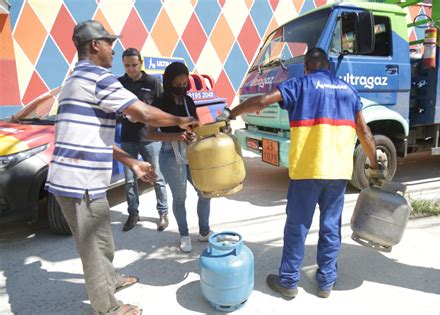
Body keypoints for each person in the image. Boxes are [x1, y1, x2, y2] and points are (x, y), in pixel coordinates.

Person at [46, 20, 198, 315]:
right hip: (80, 182)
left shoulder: (74, 79)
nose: (113, 50)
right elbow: (141, 112)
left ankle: (111, 281)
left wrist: (131, 161)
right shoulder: (96, 77)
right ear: (94, 46)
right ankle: (107, 308)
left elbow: (91, 137)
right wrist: (179, 120)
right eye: (109, 43)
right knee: (92, 250)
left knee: (103, 240)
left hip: (87, 180)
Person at [221, 48, 385, 299]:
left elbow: (264, 101)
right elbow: (365, 132)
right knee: (331, 228)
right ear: (329, 67)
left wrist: (232, 113)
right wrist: (374, 166)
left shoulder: (299, 84)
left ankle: (288, 282)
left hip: (308, 171)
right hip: (338, 172)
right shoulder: (348, 90)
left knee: (297, 227)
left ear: (307, 67)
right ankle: (326, 282)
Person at [147, 62, 212, 253]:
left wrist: (194, 133)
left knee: (205, 191)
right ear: (169, 82)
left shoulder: (188, 101)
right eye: (178, 84)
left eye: (185, 85)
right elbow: (150, 134)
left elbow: (195, 125)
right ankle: (184, 235)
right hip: (169, 152)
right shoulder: (159, 103)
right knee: (180, 198)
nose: (182, 88)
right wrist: (176, 135)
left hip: (191, 151)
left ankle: (204, 230)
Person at [118, 48, 169, 232]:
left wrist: (144, 118)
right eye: (127, 65)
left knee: (156, 177)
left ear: (141, 63)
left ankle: (163, 213)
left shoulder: (152, 82)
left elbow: (162, 110)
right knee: (130, 180)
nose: (131, 69)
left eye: (134, 65)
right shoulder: (119, 83)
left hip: (150, 139)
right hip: (127, 139)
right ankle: (133, 213)